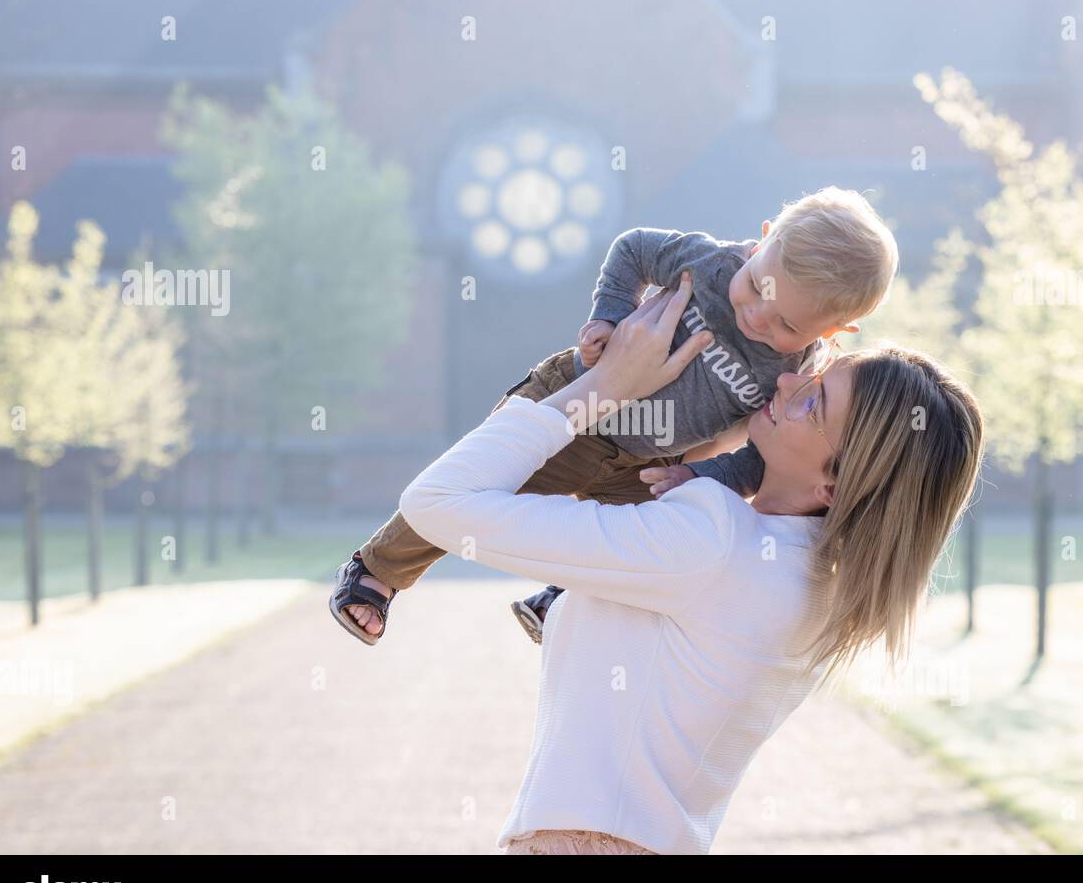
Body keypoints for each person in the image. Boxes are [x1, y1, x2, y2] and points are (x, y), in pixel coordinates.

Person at [396, 280, 985, 855]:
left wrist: (603, 384)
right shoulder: (818, 583)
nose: (787, 380)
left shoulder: (712, 541)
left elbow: (440, 503)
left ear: (835, 482)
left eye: (815, 401)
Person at [329, 186, 900, 644]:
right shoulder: (705, 261)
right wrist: (609, 315)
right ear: (762, 241)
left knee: (649, 542)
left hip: (650, 457)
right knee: (484, 488)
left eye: (786, 325)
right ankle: (379, 571)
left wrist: (702, 477)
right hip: (578, 412)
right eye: (755, 288)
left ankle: (563, 600)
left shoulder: (800, 371)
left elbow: (762, 452)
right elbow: (631, 249)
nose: (756, 316)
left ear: (835, 331)